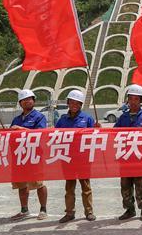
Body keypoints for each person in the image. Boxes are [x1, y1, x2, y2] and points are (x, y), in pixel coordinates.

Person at [56, 89, 99, 223]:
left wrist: (98, 129)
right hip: (68, 159)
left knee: (86, 187)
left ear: (81, 105)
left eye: (77, 103)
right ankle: (70, 213)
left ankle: (89, 212)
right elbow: (55, 136)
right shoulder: (62, 120)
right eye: (72, 102)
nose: (74, 105)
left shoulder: (87, 119)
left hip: (83, 159)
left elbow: (95, 138)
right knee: (69, 188)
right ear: (68, 103)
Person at [8, 89, 49, 220]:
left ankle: (43, 209)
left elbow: (40, 133)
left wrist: (21, 129)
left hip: (34, 155)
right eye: (24, 100)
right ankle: (24, 210)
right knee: (21, 184)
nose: (27, 101)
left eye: (30, 99)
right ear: (20, 103)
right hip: (19, 155)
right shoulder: (16, 119)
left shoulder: (39, 117)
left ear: (34, 101)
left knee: (38, 183)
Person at [115, 84, 142, 221]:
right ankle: (129, 209)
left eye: (136, 99)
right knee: (125, 185)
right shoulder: (122, 118)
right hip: (125, 157)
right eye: (131, 99)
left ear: (141, 101)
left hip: (139, 156)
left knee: (141, 184)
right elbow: (112, 133)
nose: (133, 102)